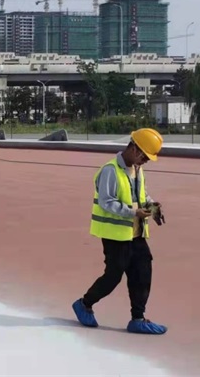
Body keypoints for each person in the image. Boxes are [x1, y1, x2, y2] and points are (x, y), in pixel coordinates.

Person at [72, 128, 168, 335]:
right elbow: (107, 202)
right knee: (113, 276)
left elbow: (141, 195)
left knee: (142, 272)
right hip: (115, 235)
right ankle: (84, 304)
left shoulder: (137, 170)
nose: (146, 161)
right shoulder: (110, 170)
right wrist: (133, 212)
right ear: (134, 148)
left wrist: (152, 207)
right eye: (144, 156)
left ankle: (138, 319)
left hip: (136, 233)